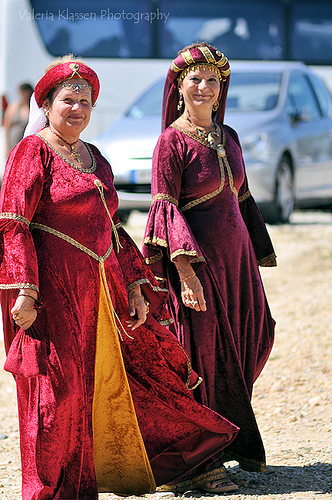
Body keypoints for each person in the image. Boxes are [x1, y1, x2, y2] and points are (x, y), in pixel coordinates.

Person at [0, 56, 242, 500]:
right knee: (58, 394)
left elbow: (114, 227)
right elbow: (12, 222)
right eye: (68, 101)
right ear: (47, 105)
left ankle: (172, 466)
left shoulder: (97, 159)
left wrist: (135, 283)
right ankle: (51, 491)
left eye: (86, 102)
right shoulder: (31, 152)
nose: (77, 109)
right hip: (56, 291)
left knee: (134, 381)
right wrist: (25, 290)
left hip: (105, 292)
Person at [143, 42, 277, 473]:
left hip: (237, 267)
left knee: (248, 342)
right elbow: (165, 210)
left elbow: (241, 200)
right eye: (194, 79)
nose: (203, 87)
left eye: (212, 81)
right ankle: (201, 461)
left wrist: (257, 254)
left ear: (222, 89)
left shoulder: (229, 136)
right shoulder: (170, 143)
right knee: (203, 355)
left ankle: (235, 438)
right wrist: (185, 274)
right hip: (200, 269)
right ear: (179, 85)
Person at [3, 82, 34, 156]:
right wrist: (6, 145)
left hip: (26, 144)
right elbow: (7, 126)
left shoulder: (32, 109)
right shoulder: (13, 107)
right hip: (13, 142)